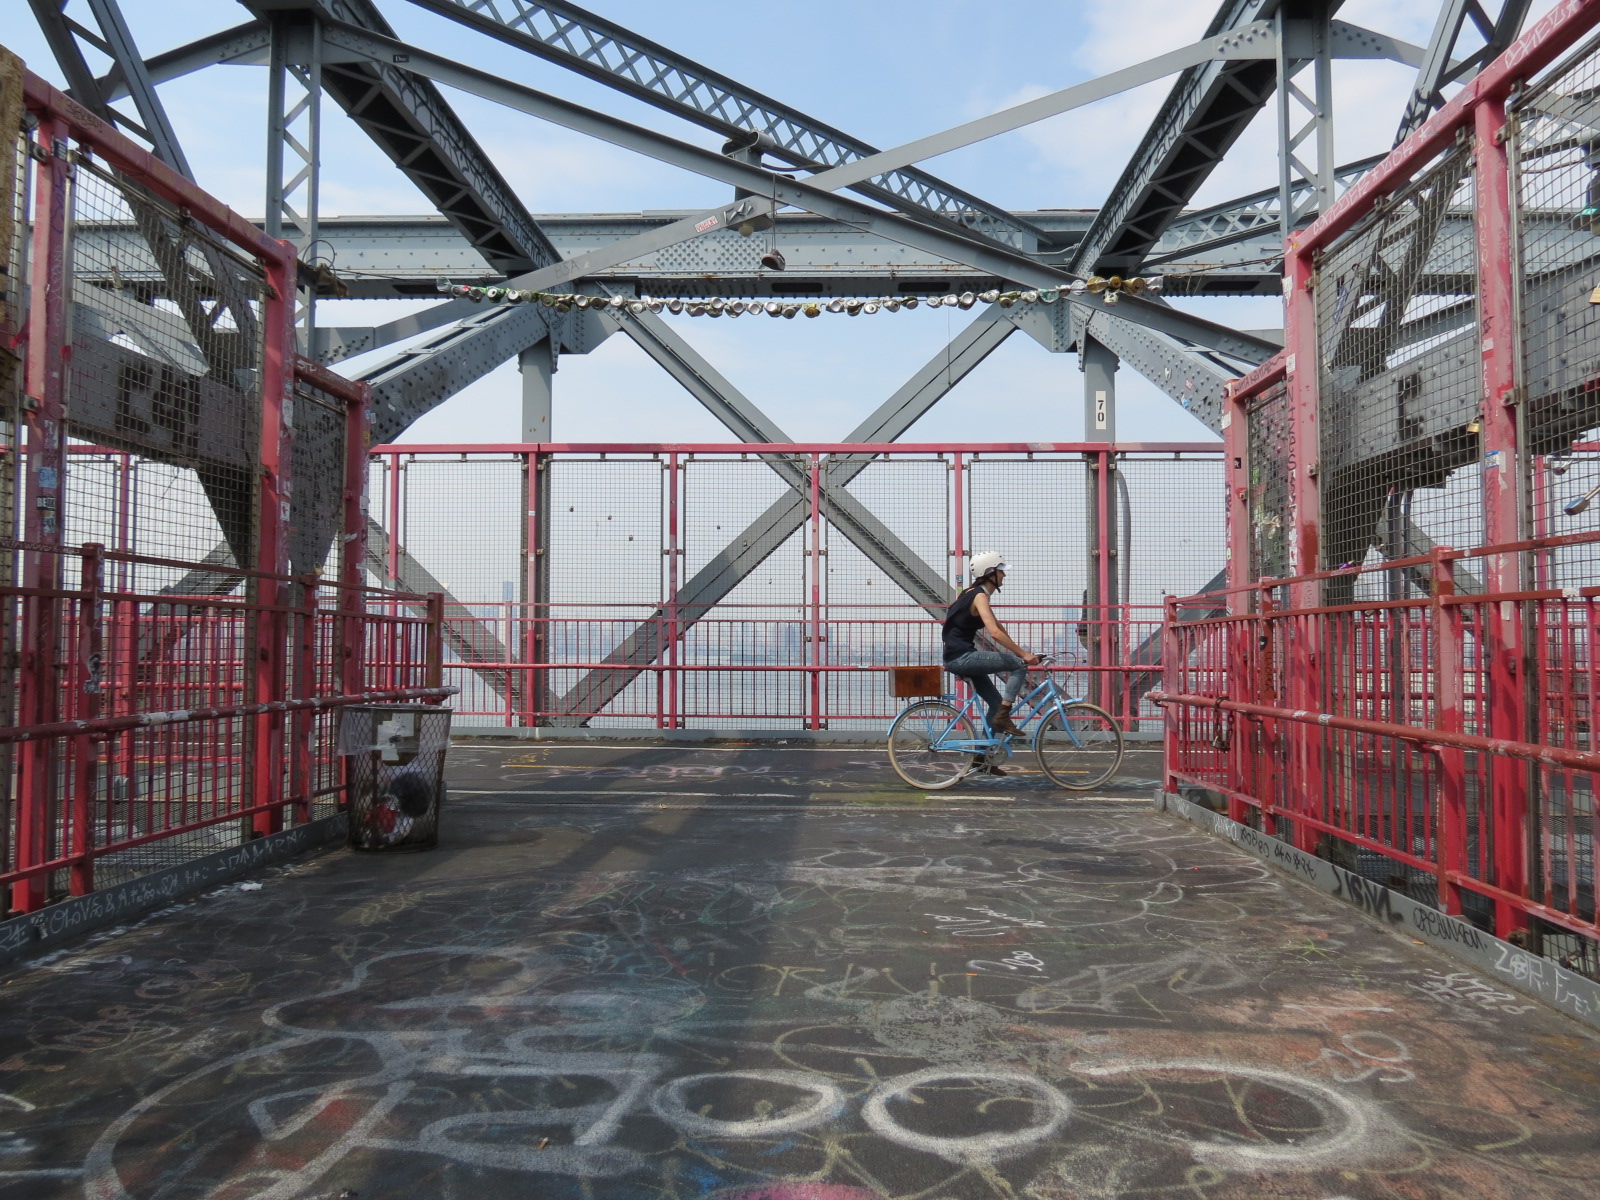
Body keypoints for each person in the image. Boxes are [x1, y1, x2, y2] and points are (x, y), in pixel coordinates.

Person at [943, 551, 1039, 742]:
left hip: (959, 657)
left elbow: (999, 628)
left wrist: (1023, 651)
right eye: (1001, 571)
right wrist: (1023, 656)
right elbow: (993, 632)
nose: (1004, 575)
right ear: (989, 573)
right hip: (962, 658)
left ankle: (982, 755)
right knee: (1019, 665)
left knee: (995, 705)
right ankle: (1004, 716)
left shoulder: (971, 594)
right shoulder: (979, 597)